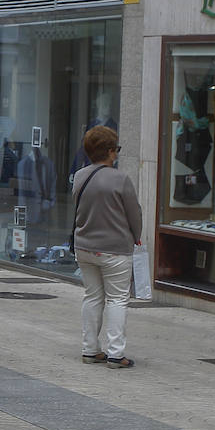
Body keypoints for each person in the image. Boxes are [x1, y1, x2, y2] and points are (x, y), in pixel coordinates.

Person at [71, 125, 143, 369]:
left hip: (84, 247)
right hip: (115, 249)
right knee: (117, 300)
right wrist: (137, 236)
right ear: (111, 151)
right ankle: (115, 353)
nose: (117, 154)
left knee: (92, 296)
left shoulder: (80, 176)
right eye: (117, 150)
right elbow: (134, 213)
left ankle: (89, 349)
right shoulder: (120, 179)